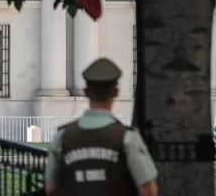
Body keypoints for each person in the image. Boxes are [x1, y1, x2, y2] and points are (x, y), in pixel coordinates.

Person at [45, 58, 158, 196]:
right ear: (116, 93)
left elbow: (51, 188)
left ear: (85, 92)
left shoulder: (62, 136)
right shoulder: (127, 138)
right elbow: (148, 189)